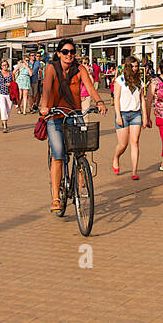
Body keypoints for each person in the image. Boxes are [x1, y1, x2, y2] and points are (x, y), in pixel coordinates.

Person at [39, 38, 106, 213]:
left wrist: (99, 101)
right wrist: (44, 106)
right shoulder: (52, 68)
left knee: (81, 147)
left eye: (72, 52)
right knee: (59, 154)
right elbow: (46, 89)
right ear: (59, 53)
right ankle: (55, 197)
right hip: (54, 115)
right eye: (65, 52)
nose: (69, 55)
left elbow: (90, 88)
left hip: (74, 113)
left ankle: (81, 173)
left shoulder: (80, 69)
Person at [110, 56, 148, 179]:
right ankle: (116, 157)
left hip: (136, 114)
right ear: (127, 67)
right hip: (123, 114)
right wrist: (118, 116)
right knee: (123, 144)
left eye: (136, 66)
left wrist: (145, 116)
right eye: (132, 66)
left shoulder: (140, 81)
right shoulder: (119, 80)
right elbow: (116, 99)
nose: (135, 68)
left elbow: (142, 99)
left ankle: (134, 172)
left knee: (135, 142)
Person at [0, 59, 15, 132]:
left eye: (6, 65)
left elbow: (14, 84)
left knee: (8, 109)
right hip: (0, 93)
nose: (4, 66)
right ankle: (5, 126)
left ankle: (4, 120)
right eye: (3, 65)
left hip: (9, 94)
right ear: (1, 66)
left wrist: (10, 84)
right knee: (3, 108)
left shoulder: (11, 73)